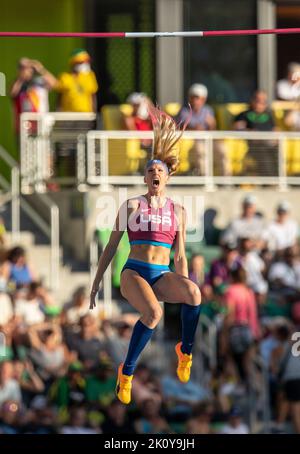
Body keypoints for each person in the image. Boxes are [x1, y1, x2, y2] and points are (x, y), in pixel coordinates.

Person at [90, 106, 202, 405]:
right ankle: (126, 374)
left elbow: (179, 255)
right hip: (135, 272)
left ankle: (185, 351)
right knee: (153, 314)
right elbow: (112, 246)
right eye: (150, 170)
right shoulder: (131, 206)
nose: (155, 174)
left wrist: (183, 279)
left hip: (161, 274)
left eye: (160, 171)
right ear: (144, 177)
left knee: (193, 292)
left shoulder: (178, 210)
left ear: (167, 178)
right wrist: (97, 282)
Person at [176, 84, 228, 176]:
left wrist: (212, 125)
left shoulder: (208, 110)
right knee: (201, 151)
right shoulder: (184, 111)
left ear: (203, 99)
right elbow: (180, 128)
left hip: (208, 140)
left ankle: (226, 180)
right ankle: (205, 179)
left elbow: (212, 131)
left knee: (222, 150)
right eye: (193, 97)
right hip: (193, 142)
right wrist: (195, 129)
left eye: (198, 98)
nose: (195, 100)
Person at [233, 90, 278, 177]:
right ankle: (269, 180)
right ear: (252, 100)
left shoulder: (269, 115)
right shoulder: (244, 114)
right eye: (257, 100)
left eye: (263, 101)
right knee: (263, 151)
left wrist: (275, 138)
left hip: (269, 144)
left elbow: (275, 129)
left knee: (276, 151)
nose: (260, 103)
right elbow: (237, 128)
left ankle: (276, 178)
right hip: (253, 144)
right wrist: (250, 133)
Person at [10, 58, 57, 133]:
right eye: (22, 67)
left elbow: (55, 85)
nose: (26, 70)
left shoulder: (40, 81)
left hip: (41, 124)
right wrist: (21, 78)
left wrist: (41, 69)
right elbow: (13, 93)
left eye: (28, 67)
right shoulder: (18, 84)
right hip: (24, 127)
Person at [55, 49, 98, 113]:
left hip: (86, 115)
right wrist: (58, 112)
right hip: (68, 116)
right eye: (81, 62)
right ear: (73, 63)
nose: (85, 64)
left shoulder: (90, 76)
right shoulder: (64, 77)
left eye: (87, 62)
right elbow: (59, 98)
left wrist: (94, 113)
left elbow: (93, 95)